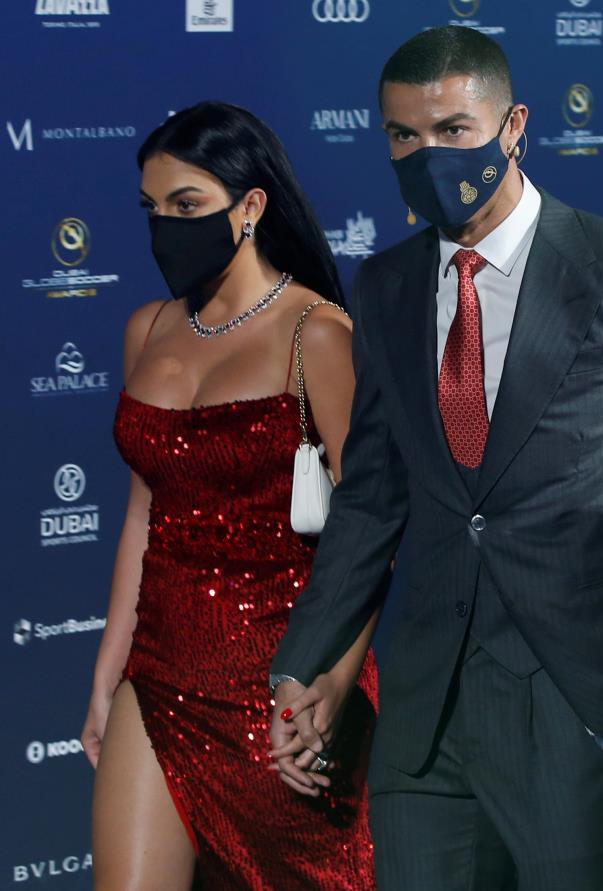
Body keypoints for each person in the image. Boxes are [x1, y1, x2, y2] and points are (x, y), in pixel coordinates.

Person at [269, 26, 603, 891]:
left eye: (453, 129)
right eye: (403, 135)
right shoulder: (385, 285)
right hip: (425, 708)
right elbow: (372, 495)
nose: (428, 155)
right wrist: (304, 661)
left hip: (573, 697)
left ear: (514, 126)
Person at [81, 101, 377, 891]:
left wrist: (332, 682)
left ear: (250, 206)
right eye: (152, 209)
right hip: (159, 673)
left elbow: (368, 535)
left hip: (281, 683)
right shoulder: (147, 330)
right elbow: (143, 514)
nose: (166, 228)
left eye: (187, 206)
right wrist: (110, 672)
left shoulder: (318, 334)